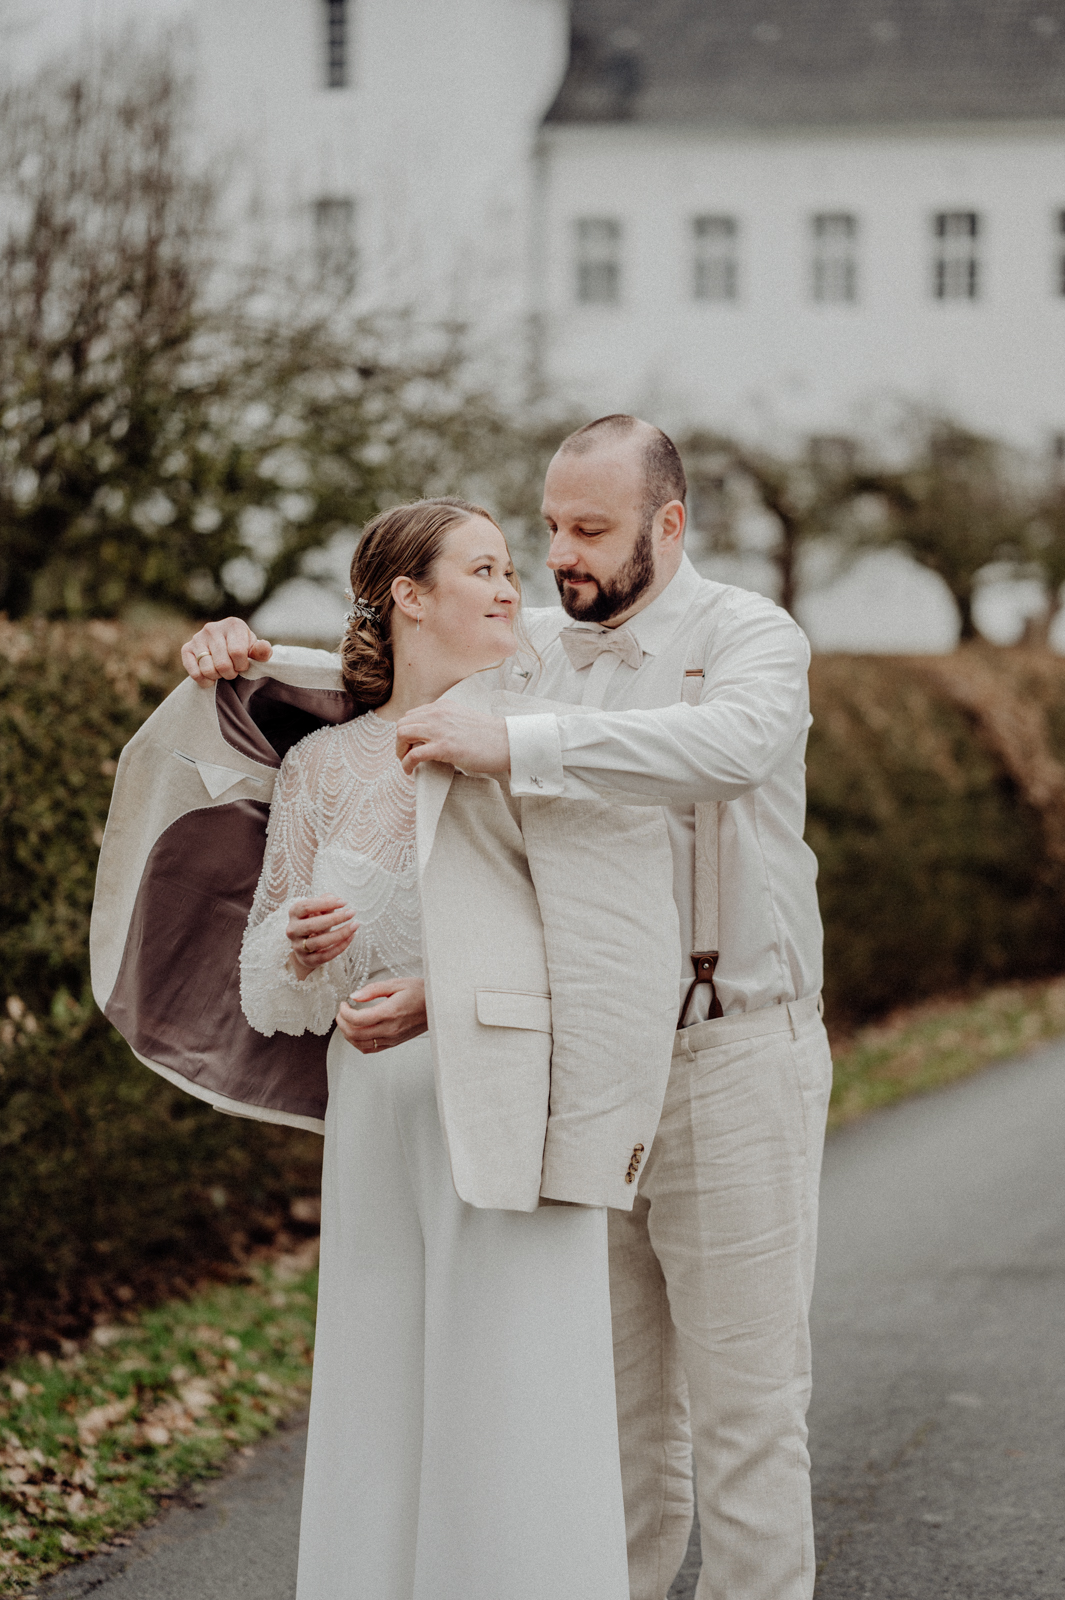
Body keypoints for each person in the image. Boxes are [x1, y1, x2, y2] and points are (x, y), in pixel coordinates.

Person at [183, 418, 833, 1600]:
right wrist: (246, 646)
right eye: (546, 531)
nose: (556, 560)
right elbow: (388, 663)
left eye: (588, 531)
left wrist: (518, 743)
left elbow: (728, 747)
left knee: (747, 1407)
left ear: (668, 525)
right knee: (616, 1415)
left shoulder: (750, 636)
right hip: (582, 1054)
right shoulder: (542, 641)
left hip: (734, 1053)